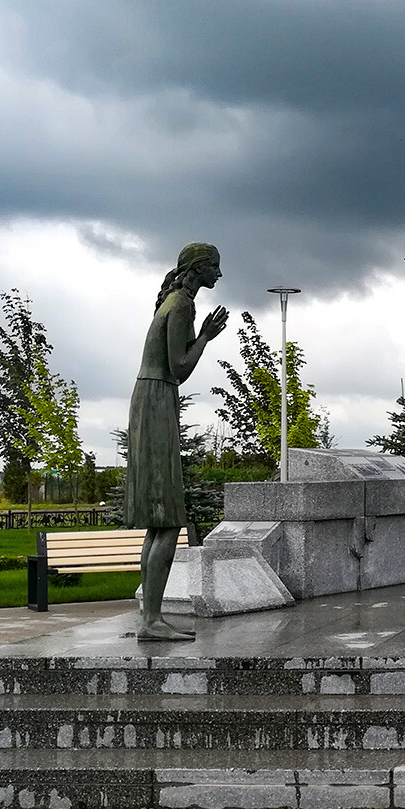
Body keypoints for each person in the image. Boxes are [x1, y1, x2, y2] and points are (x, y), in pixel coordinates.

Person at [126, 242, 228, 641]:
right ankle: (152, 621)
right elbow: (179, 368)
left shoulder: (174, 299)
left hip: (151, 397)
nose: (219, 275)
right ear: (199, 268)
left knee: (159, 522)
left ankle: (150, 618)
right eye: (215, 267)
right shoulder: (182, 304)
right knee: (168, 520)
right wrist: (205, 337)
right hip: (156, 398)